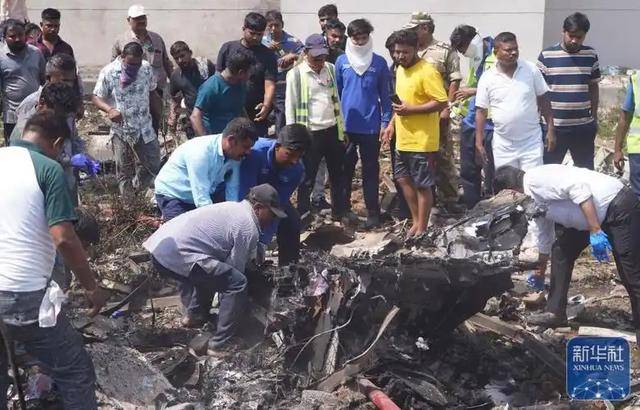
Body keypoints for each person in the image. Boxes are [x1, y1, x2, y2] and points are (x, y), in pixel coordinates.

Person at [0, 110, 109, 409]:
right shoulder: (48, 169)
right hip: (21, 293)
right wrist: (91, 287)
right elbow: (63, 237)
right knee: (74, 370)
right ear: (58, 142)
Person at [494, 165, 640, 340]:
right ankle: (555, 312)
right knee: (561, 252)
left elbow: (579, 189)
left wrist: (595, 229)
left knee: (631, 275)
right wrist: (540, 271)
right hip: (589, 217)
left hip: (616, 207)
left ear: (511, 191)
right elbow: (545, 234)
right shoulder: (530, 200)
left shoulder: (536, 181)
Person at [144, 184, 286, 351]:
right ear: (258, 208)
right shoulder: (248, 225)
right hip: (177, 254)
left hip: (160, 250)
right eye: (271, 214)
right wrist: (242, 305)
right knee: (237, 284)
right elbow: (235, 272)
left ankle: (195, 316)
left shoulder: (234, 208)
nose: (272, 220)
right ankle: (219, 344)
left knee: (214, 271)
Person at [381, 29, 448, 237]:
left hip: (422, 140)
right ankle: (416, 220)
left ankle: (422, 228)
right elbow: (401, 103)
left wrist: (412, 110)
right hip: (403, 138)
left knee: (422, 185)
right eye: (396, 52)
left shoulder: (427, 72)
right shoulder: (400, 70)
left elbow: (441, 102)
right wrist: (391, 124)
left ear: (416, 48)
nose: (400, 56)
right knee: (402, 179)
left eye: (405, 52)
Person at [336, 19, 392, 228]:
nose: (360, 42)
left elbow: (385, 97)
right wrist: (337, 124)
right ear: (349, 39)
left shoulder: (379, 63)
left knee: (370, 171)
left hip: (370, 127)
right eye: (355, 38)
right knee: (344, 171)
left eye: (363, 38)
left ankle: (373, 214)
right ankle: (343, 211)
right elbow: (337, 94)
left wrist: (385, 123)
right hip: (346, 128)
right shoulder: (341, 62)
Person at [286, 33, 348, 220]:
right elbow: (290, 106)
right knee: (307, 177)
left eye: (322, 58)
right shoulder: (296, 74)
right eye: (316, 58)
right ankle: (304, 215)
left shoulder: (330, 69)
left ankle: (339, 212)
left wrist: (342, 128)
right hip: (310, 133)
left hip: (332, 130)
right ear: (306, 53)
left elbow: (336, 99)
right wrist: (293, 137)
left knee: (337, 174)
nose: (320, 62)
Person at [403, 12, 462, 208]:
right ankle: (425, 199)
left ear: (425, 28)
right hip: (413, 111)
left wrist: (447, 108)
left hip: (437, 110)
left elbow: (454, 80)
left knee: (442, 154)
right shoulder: (409, 50)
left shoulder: (444, 51)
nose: (412, 33)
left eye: (415, 29)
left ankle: (450, 199)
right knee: (420, 156)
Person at [475, 32, 555, 173]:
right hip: (503, 145)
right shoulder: (487, 78)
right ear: (496, 52)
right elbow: (481, 111)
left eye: (515, 49)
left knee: (532, 182)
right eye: (508, 50)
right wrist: (479, 142)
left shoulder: (531, 70)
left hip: (531, 142)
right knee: (508, 184)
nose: (513, 53)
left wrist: (550, 129)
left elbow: (544, 99)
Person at [92, 41, 162, 197]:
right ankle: (129, 203)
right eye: (131, 64)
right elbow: (96, 97)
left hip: (144, 127)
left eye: (137, 64)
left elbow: (152, 92)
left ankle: (137, 191)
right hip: (121, 130)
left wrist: (160, 114)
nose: (134, 67)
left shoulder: (145, 68)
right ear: (122, 57)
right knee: (124, 170)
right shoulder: (109, 71)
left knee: (153, 164)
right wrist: (110, 110)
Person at [154, 117, 257, 221]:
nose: (248, 152)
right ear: (231, 140)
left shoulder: (234, 155)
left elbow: (232, 190)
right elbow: (201, 199)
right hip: (174, 195)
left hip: (206, 190)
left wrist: (232, 216)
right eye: (245, 147)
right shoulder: (200, 154)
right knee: (182, 228)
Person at [239, 124, 310, 266]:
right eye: (290, 154)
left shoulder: (297, 170)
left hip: (270, 200)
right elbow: (242, 195)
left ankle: (288, 270)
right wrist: (253, 237)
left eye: (299, 156)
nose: (294, 161)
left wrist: (263, 241)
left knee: (292, 220)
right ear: (277, 146)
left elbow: (279, 205)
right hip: (243, 198)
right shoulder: (255, 153)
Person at [538, 12, 600, 169]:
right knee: (549, 172)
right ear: (563, 31)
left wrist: (594, 117)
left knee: (585, 173)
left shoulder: (591, 55)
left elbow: (593, 87)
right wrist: (548, 127)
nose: (574, 40)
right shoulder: (547, 56)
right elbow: (540, 94)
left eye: (579, 37)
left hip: (583, 127)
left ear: (585, 35)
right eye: (571, 35)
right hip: (554, 128)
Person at [450, 24, 496, 208]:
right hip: (471, 120)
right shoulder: (476, 57)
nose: (462, 53)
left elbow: (500, 85)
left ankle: (494, 204)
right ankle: (472, 205)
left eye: (462, 48)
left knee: (491, 167)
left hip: (491, 122)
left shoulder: (497, 55)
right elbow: (473, 82)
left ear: (471, 40)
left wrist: (472, 91)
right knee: (469, 168)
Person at [217, 12, 277, 136]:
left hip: (256, 111)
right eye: (252, 33)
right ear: (244, 29)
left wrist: (266, 105)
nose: (255, 37)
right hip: (229, 109)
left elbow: (269, 83)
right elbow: (218, 78)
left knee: (256, 143)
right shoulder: (228, 48)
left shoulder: (268, 55)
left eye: (259, 34)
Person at [0, 19, 45, 145]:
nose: (17, 39)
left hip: (35, 111)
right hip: (12, 114)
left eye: (20, 35)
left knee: (35, 146)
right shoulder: (1, 57)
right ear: (4, 37)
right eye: (12, 36)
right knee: (14, 147)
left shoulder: (36, 53)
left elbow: (44, 79)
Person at [112, 4, 173, 92]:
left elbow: (166, 63)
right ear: (128, 20)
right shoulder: (121, 41)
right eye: (137, 18)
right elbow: (113, 67)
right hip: (132, 91)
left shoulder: (157, 39)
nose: (141, 20)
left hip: (157, 89)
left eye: (143, 17)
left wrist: (175, 85)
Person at [191, 50, 252, 136]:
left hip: (235, 138)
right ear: (241, 73)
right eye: (249, 71)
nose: (250, 74)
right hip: (216, 138)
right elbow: (195, 116)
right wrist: (206, 140)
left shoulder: (240, 84)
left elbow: (240, 108)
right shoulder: (211, 87)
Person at [262, 10, 303, 133]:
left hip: (283, 86)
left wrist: (293, 56)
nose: (273, 29)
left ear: (282, 24)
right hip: (264, 86)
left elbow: (306, 57)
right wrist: (265, 51)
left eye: (277, 25)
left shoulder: (293, 42)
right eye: (270, 26)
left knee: (282, 118)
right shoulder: (261, 41)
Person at [167, 41, 215, 140]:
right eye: (176, 58)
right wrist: (173, 118)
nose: (180, 60)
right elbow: (175, 99)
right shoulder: (176, 76)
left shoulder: (205, 66)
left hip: (213, 116)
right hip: (194, 120)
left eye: (182, 56)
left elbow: (218, 84)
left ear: (190, 53)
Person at [614, 70, 640, 198]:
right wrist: (617, 150)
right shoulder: (636, 78)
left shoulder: (637, 78)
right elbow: (624, 116)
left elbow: (624, 116)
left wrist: (617, 149)